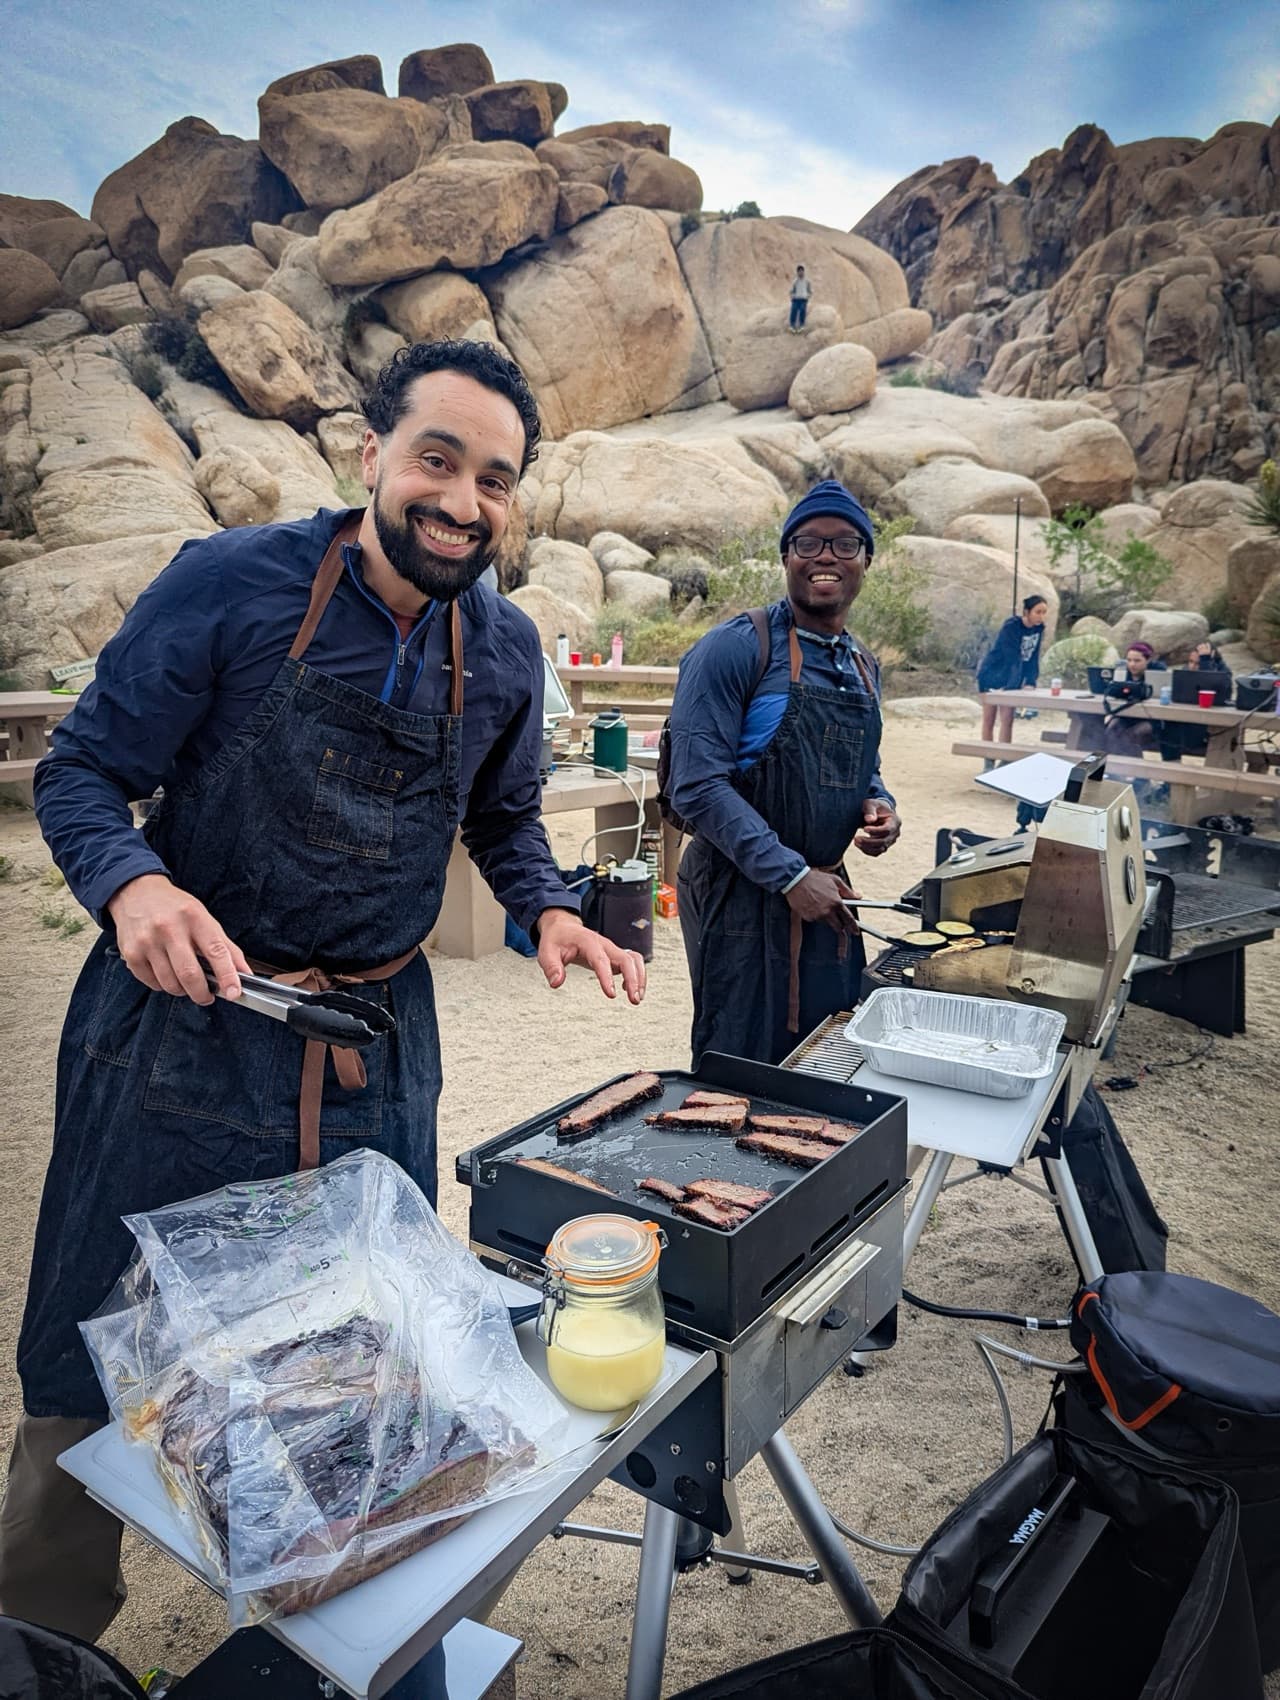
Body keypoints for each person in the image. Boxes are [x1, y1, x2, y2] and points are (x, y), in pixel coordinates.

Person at [0, 340, 645, 1691]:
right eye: (438, 459)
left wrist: (553, 909)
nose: (463, 499)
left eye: (495, 479)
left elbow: (505, 820)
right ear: (371, 456)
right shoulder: (230, 587)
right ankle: (40, 1645)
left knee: (358, 1362)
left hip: (370, 1061)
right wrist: (130, 889)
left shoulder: (508, 649)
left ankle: (314, 1649)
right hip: (182, 1033)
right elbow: (82, 772)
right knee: (94, 1355)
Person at [666, 479, 901, 1066]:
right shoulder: (737, 648)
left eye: (845, 544)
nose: (826, 556)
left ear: (866, 560)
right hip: (738, 892)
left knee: (825, 1056)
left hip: (826, 890)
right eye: (809, 543)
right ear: (786, 558)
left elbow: (862, 767)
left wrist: (879, 805)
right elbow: (695, 786)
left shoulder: (862, 664)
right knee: (739, 1063)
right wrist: (791, 876)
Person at [977, 595, 1049, 744]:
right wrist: (1012, 685)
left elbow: (1033, 656)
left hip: (1013, 677)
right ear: (1027, 612)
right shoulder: (1011, 627)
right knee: (989, 719)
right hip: (994, 673)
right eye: (1037, 612)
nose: (1041, 616)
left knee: (1008, 719)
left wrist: (1030, 680)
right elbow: (1012, 656)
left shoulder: (1038, 629)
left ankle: (1004, 758)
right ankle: (988, 760)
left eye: (1044, 612)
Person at [789, 264, 811, 331]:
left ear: (803, 272)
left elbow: (810, 291)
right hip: (796, 299)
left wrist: (808, 297)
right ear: (797, 272)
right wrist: (792, 296)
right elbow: (791, 290)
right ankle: (792, 326)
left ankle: (802, 325)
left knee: (802, 310)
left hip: (803, 299)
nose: (800, 272)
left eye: (802, 271)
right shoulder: (795, 281)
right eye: (799, 271)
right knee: (793, 310)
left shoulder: (807, 281)